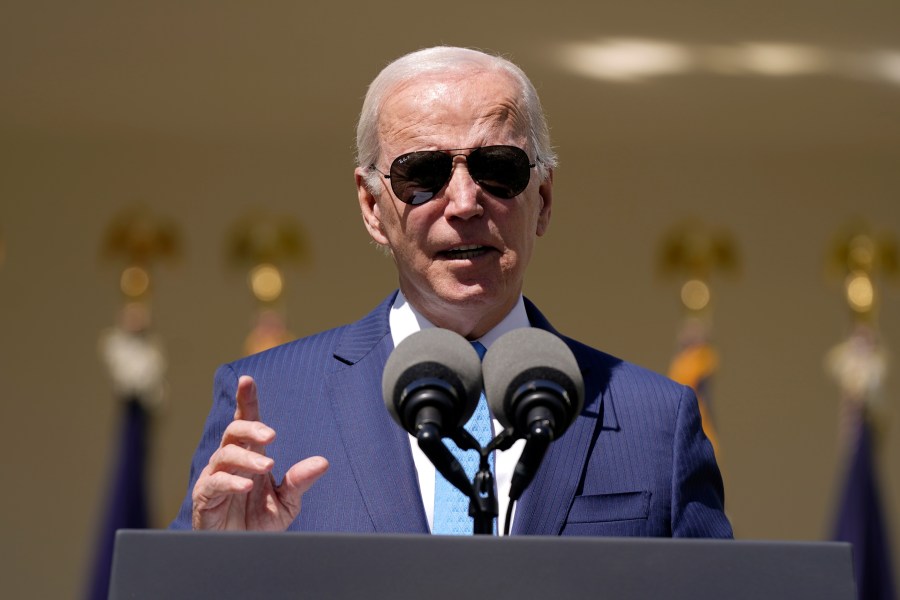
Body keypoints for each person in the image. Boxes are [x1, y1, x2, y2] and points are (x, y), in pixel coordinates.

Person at [171, 46, 733, 538]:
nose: (464, 203)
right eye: (423, 174)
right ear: (372, 207)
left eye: (498, 168)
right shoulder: (272, 405)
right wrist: (213, 564)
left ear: (545, 198)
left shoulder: (655, 420)